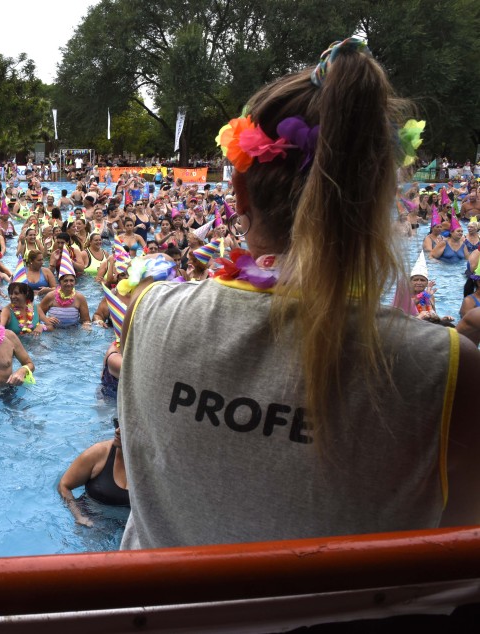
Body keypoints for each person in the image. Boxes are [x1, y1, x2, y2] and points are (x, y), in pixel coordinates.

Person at [118, 37, 480, 550]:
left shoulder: (148, 313)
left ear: (239, 194)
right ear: (383, 202)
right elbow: (457, 562)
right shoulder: (447, 369)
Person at [58, 419, 130, 526]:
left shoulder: (156, 466)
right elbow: (63, 485)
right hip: (93, 518)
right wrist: (79, 516)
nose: (118, 430)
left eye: (126, 427)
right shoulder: (98, 453)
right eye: (117, 423)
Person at [38, 249, 90, 328]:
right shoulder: (50, 296)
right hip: (54, 332)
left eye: (71, 281)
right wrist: (46, 319)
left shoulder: (80, 298)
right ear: (60, 282)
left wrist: (86, 326)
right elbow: (37, 315)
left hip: (73, 332)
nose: (69, 284)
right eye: (65, 281)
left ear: (75, 282)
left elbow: (86, 320)